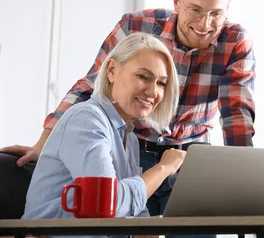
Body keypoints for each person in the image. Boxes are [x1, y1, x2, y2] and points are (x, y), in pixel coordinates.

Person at [2, 0, 256, 216]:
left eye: (216, 13)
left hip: (189, 156)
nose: (205, 24)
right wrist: (45, 142)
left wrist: (242, 178)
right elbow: (90, 84)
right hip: (135, 145)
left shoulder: (236, 41)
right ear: (177, 1)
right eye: (196, 10)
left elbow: (236, 115)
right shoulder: (137, 25)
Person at [22, 32, 186, 222]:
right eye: (143, 76)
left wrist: (143, 224)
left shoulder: (129, 136)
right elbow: (108, 205)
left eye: (161, 83)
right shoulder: (86, 120)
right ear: (112, 70)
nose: (153, 91)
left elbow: (126, 206)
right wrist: (164, 168)